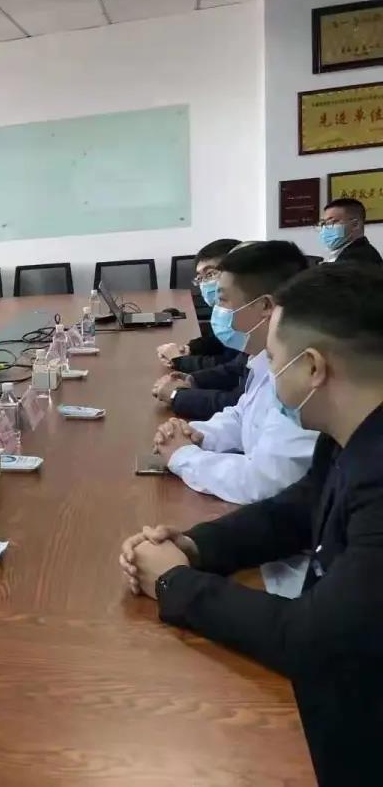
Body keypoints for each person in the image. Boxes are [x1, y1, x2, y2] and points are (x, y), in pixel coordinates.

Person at [119, 263, 383, 786]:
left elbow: (317, 640)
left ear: (313, 368)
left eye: (276, 361)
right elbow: (300, 508)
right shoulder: (352, 432)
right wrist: (193, 546)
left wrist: (173, 582)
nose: (269, 374)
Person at [151, 241, 318, 506]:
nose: (218, 311)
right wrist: (195, 433)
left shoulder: (302, 373)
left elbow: (263, 482)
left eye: (223, 301)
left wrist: (184, 456)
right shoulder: (263, 359)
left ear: (265, 306)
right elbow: (243, 415)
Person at [157, 238, 243, 372]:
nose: (204, 283)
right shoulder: (224, 310)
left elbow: (235, 368)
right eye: (200, 278)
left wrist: (179, 361)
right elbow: (219, 340)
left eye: (210, 274)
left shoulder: (252, 312)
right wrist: (190, 348)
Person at [319, 198, 381, 264]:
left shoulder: (360, 258)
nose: (325, 228)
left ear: (355, 225)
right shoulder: (342, 254)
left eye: (332, 222)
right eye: (323, 223)